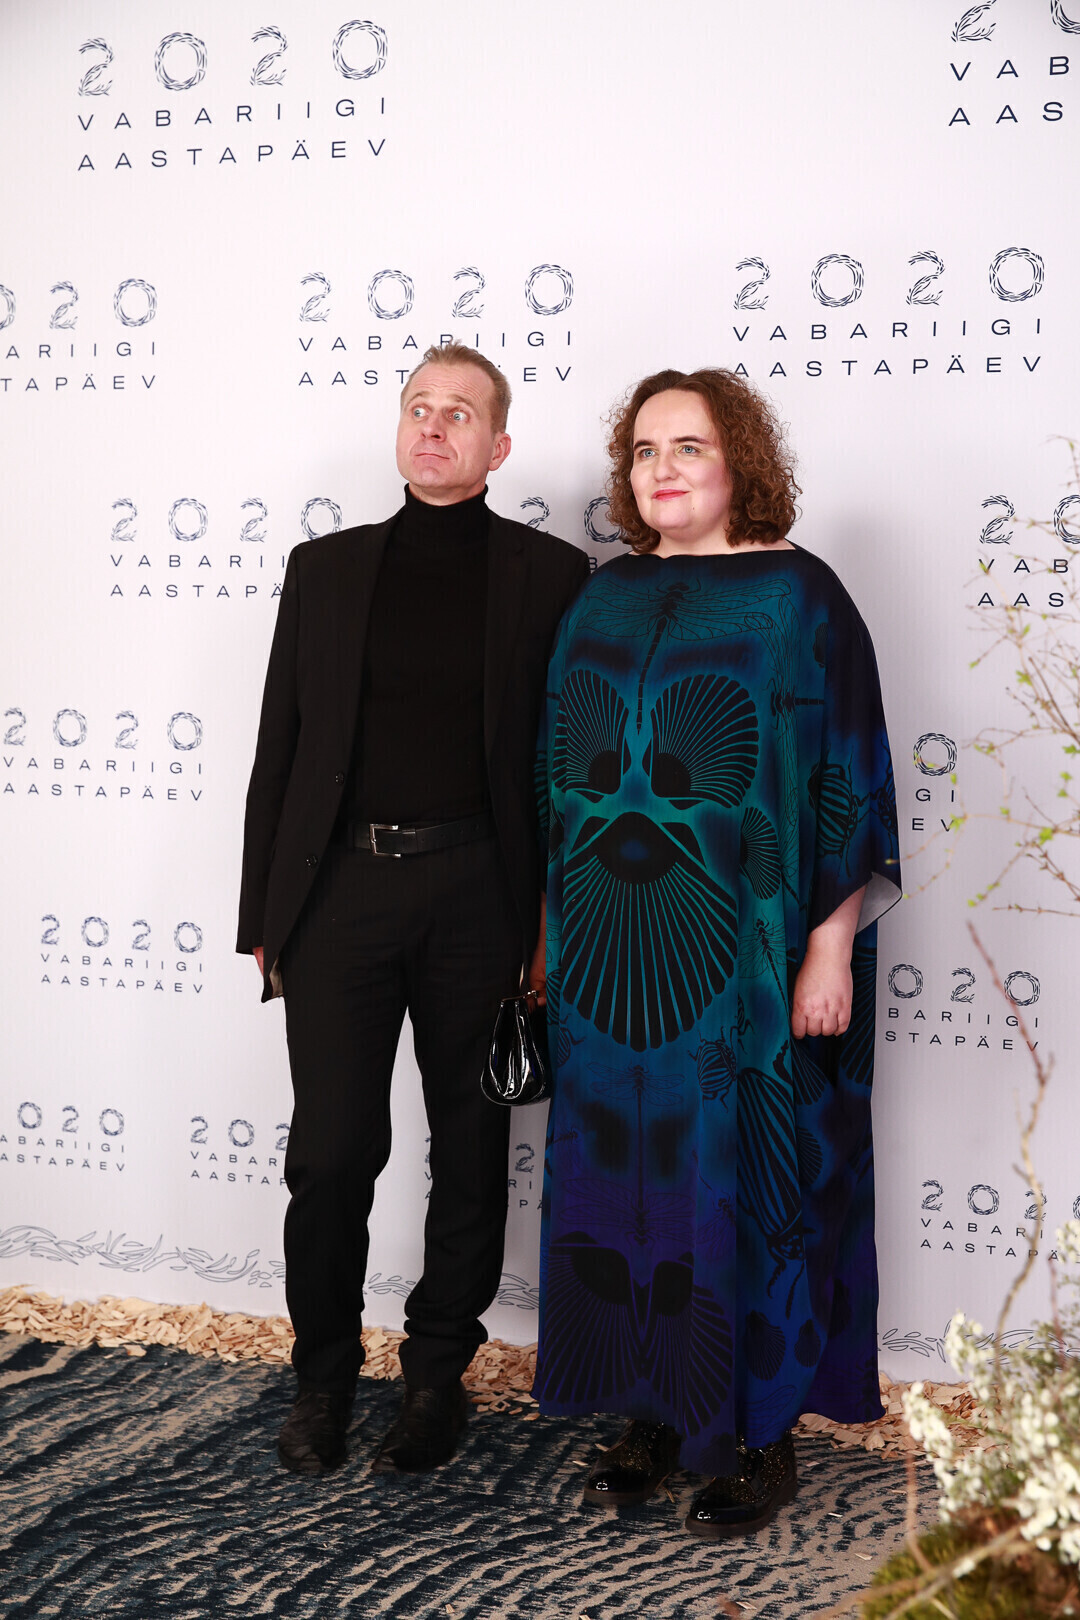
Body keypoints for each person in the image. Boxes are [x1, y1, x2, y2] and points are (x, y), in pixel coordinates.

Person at [532, 368, 900, 1536]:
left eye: (688, 445)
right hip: (605, 970)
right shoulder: (603, 598)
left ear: (739, 459)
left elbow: (849, 772)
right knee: (621, 1187)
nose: (663, 469)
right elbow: (559, 782)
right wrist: (548, 939)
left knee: (753, 1183)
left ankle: (759, 1434)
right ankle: (647, 1413)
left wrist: (829, 948)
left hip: (748, 958)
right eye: (645, 450)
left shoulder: (801, 596)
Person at [237, 342, 589, 1477]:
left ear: (499, 446)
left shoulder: (552, 576)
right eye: (418, 408)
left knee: (472, 1148)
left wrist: (547, 922)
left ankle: (437, 1377)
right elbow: (280, 748)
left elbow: (564, 767)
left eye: (460, 414)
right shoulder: (325, 568)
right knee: (332, 1151)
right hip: (338, 893)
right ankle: (323, 1377)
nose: (433, 427)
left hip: (480, 893)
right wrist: (264, 915)